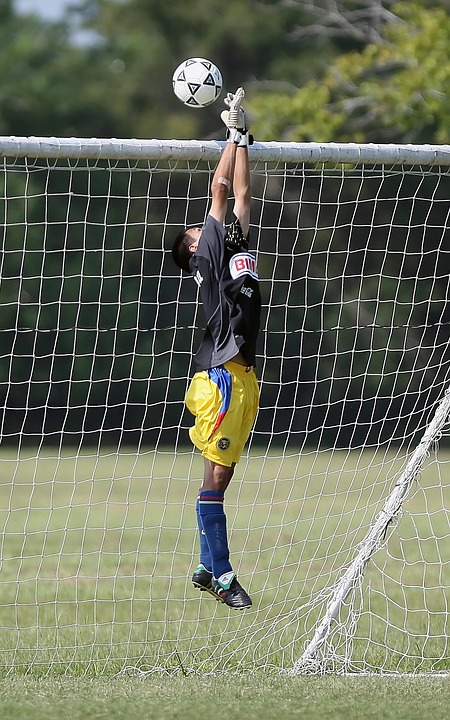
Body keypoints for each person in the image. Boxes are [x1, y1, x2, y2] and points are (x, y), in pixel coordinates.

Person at [171, 88, 261, 609]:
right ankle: (222, 573)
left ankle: (208, 567)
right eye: (195, 230)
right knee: (216, 479)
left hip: (245, 378)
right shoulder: (206, 253)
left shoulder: (236, 245)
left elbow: (243, 195)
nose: (202, 227)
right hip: (221, 376)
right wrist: (228, 136)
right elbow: (221, 187)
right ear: (192, 248)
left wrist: (244, 136)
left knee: (221, 480)